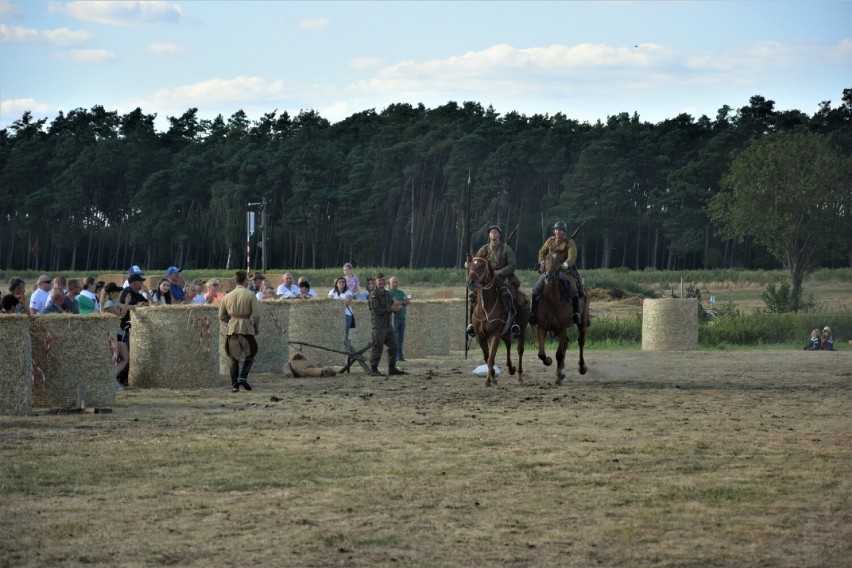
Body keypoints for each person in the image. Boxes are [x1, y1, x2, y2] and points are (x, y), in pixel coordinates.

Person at [465, 224, 521, 336]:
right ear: (489, 235)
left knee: (510, 295)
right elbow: (477, 262)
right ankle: (472, 324)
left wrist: (500, 271)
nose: (493, 234)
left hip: (502, 279)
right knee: (473, 297)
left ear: (499, 234)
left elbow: (513, 265)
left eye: (495, 232)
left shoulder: (506, 249)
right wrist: (469, 264)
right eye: (491, 232)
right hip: (486, 280)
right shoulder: (484, 249)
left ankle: (514, 324)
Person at [531, 220, 583, 326]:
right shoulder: (550, 241)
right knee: (536, 289)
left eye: (560, 230)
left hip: (563, 271)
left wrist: (564, 265)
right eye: (556, 230)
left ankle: (576, 314)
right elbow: (542, 252)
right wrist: (541, 262)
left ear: (564, 232)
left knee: (573, 291)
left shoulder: (570, 243)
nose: (558, 232)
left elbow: (572, 257)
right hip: (549, 270)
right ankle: (533, 314)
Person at [219, 270, 262, 393]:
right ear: (245, 281)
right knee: (251, 352)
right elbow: (257, 315)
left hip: (232, 329)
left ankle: (234, 386)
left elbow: (222, 316)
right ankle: (242, 377)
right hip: (246, 328)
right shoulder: (250, 294)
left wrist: (233, 321)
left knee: (234, 358)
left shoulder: (227, 296)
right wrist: (255, 326)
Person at [367, 272, 407, 376]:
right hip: (378, 326)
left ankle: (392, 368)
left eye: (383, 280)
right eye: (380, 280)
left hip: (388, 326)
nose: (382, 282)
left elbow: (392, 305)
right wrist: (391, 309)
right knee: (377, 347)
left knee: (394, 345)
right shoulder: (373, 294)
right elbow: (377, 311)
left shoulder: (387, 294)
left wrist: (397, 307)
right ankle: (373, 369)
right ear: (376, 282)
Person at [101, 282, 130, 389]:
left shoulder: (112, 302)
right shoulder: (109, 304)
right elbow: (121, 315)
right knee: (120, 358)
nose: (119, 293)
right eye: (117, 291)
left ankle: (112, 379)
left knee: (122, 358)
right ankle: (110, 379)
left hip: (116, 332)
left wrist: (136, 305)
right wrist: (127, 302)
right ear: (112, 293)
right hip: (114, 333)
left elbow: (125, 308)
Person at [387, 276, 411, 361]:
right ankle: (394, 357)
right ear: (389, 283)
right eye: (393, 282)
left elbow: (407, 301)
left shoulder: (401, 292)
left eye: (396, 282)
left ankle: (400, 357)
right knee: (395, 338)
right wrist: (400, 303)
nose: (395, 284)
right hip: (394, 318)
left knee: (401, 339)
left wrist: (400, 302)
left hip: (402, 318)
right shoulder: (388, 293)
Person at [328, 277, 354, 341]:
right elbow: (329, 301)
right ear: (336, 284)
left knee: (345, 331)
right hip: (335, 313)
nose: (342, 283)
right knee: (335, 331)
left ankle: (345, 346)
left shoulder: (348, 292)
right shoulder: (332, 291)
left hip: (346, 314)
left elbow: (348, 302)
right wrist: (342, 301)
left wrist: (337, 302)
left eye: (343, 282)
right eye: (340, 282)